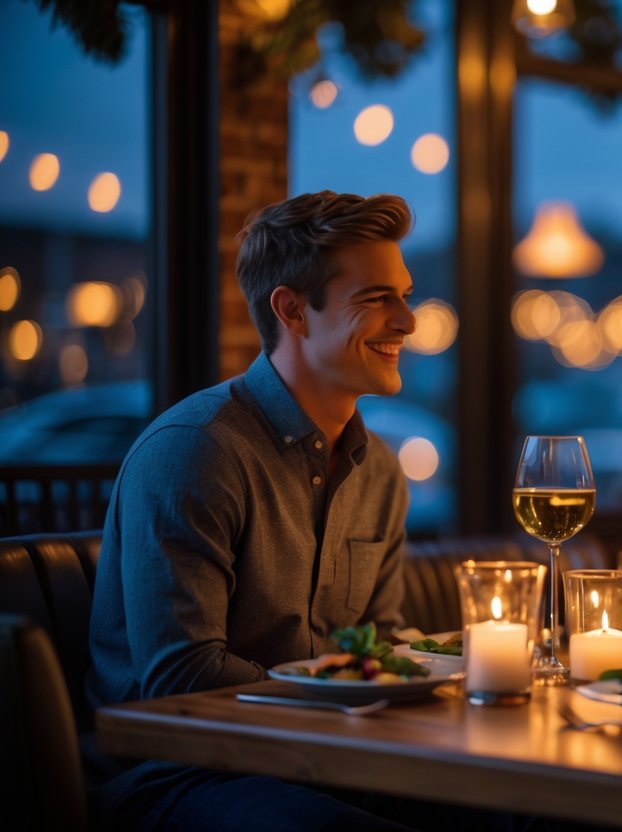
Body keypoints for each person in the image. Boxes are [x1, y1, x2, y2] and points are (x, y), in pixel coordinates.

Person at [85, 191, 420, 830]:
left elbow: (376, 647)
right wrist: (347, 685)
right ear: (292, 310)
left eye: (405, 295)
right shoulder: (195, 450)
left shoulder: (378, 468)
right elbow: (183, 680)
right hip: (180, 775)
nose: (407, 320)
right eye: (378, 298)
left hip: (339, 761)